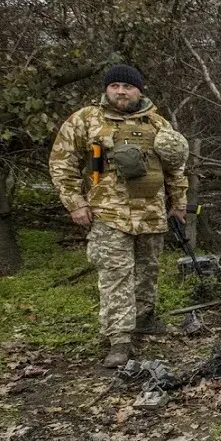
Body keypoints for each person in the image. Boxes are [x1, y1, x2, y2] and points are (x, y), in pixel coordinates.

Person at [48, 63, 190, 368]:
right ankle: (120, 339)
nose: (121, 92)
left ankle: (144, 319)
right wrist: (75, 203)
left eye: (128, 87)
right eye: (115, 86)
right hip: (108, 214)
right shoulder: (85, 120)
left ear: (139, 90)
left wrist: (179, 203)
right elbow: (62, 163)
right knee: (116, 276)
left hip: (151, 212)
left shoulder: (157, 124)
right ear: (107, 89)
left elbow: (175, 168)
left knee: (148, 271)